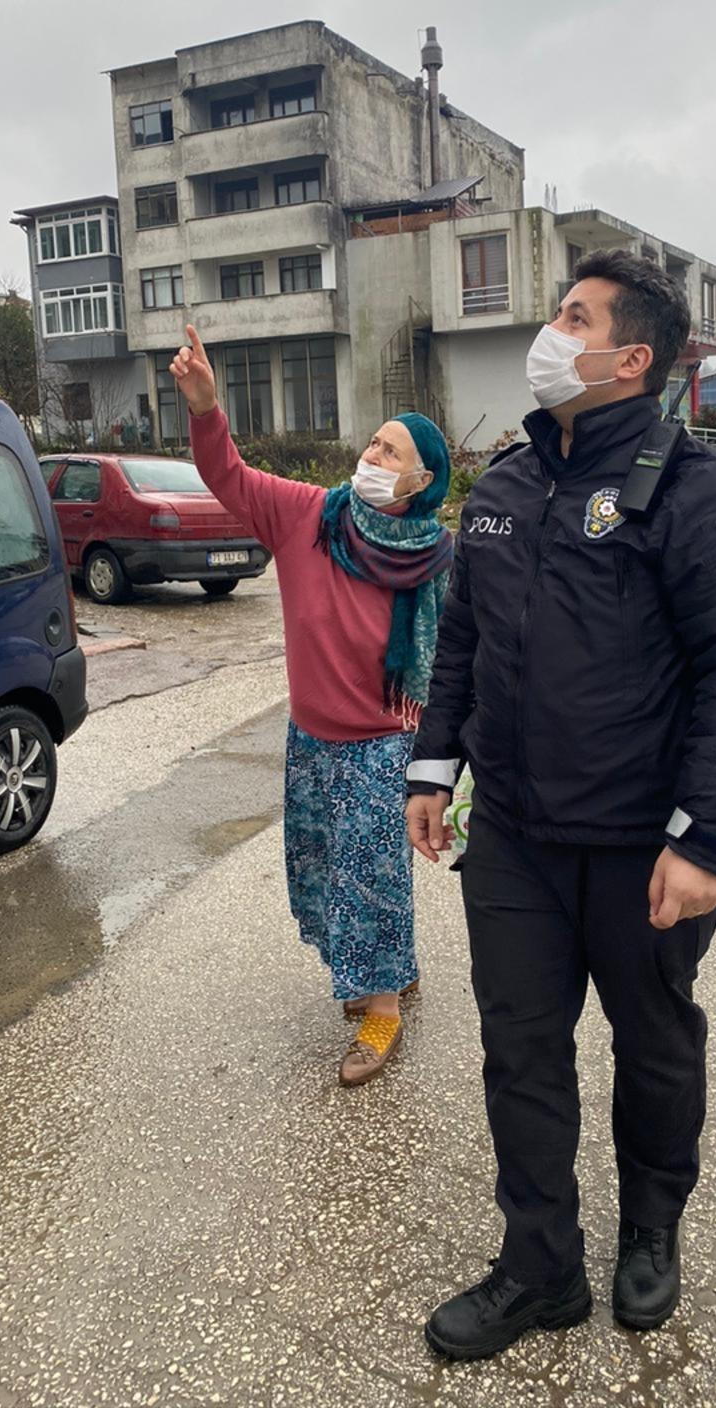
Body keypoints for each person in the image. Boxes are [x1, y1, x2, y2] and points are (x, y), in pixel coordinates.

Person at [406, 250, 716, 1358]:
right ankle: (540, 1268)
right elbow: (464, 642)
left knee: (654, 1041)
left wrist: (705, 836)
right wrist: (435, 770)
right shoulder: (513, 485)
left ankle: (652, 1226)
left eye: (572, 317)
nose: (550, 332)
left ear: (632, 355)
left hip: (641, 847)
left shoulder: (693, 490)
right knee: (519, 1051)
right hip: (517, 842)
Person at [170, 326, 452, 1086]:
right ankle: (398, 965)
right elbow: (226, 475)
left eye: (391, 452)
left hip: (386, 741)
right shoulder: (309, 516)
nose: (371, 456)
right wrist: (205, 410)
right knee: (329, 871)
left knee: (371, 876)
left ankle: (382, 1006)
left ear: (423, 481)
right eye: (372, 443)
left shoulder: (435, 559)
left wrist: (455, 764)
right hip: (312, 739)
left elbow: (460, 664)